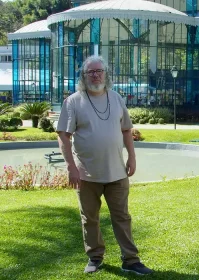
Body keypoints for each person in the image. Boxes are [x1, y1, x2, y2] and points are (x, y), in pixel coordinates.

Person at [56, 56, 153, 275]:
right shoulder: (73, 101)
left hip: (117, 172)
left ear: (106, 73)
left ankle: (130, 260)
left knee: (122, 217)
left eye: (99, 71)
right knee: (90, 218)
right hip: (86, 174)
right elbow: (63, 136)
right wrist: (71, 167)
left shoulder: (116, 98)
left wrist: (132, 157)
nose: (95, 75)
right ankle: (95, 257)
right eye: (90, 72)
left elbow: (126, 130)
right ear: (83, 76)